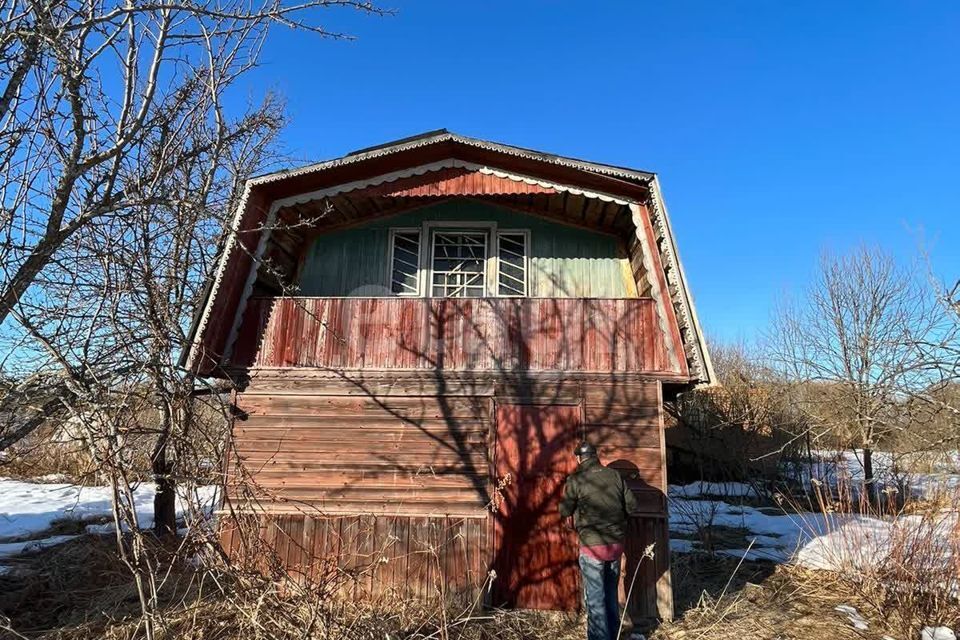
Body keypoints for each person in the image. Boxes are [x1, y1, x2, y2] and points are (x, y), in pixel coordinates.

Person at [559, 441, 639, 640]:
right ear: (596, 456)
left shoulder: (576, 479)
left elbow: (564, 510)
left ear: (579, 458)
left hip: (592, 548)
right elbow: (632, 505)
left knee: (595, 600)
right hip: (615, 546)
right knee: (611, 595)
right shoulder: (614, 476)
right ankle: (615, 635)